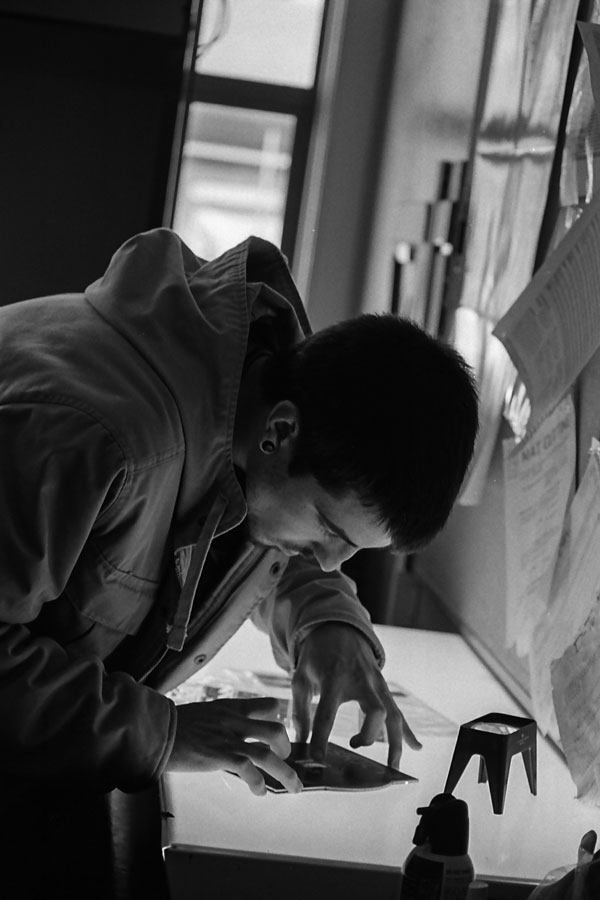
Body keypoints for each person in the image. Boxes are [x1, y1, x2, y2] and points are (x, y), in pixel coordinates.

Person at [0, 228, 478, 799]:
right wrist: (167, 735)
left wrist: (326, 620)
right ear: (281, 429)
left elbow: (240, 523)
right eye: (329, 530)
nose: (330, 564)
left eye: (350, 548)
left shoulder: (242, 403)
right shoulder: (99, 438)